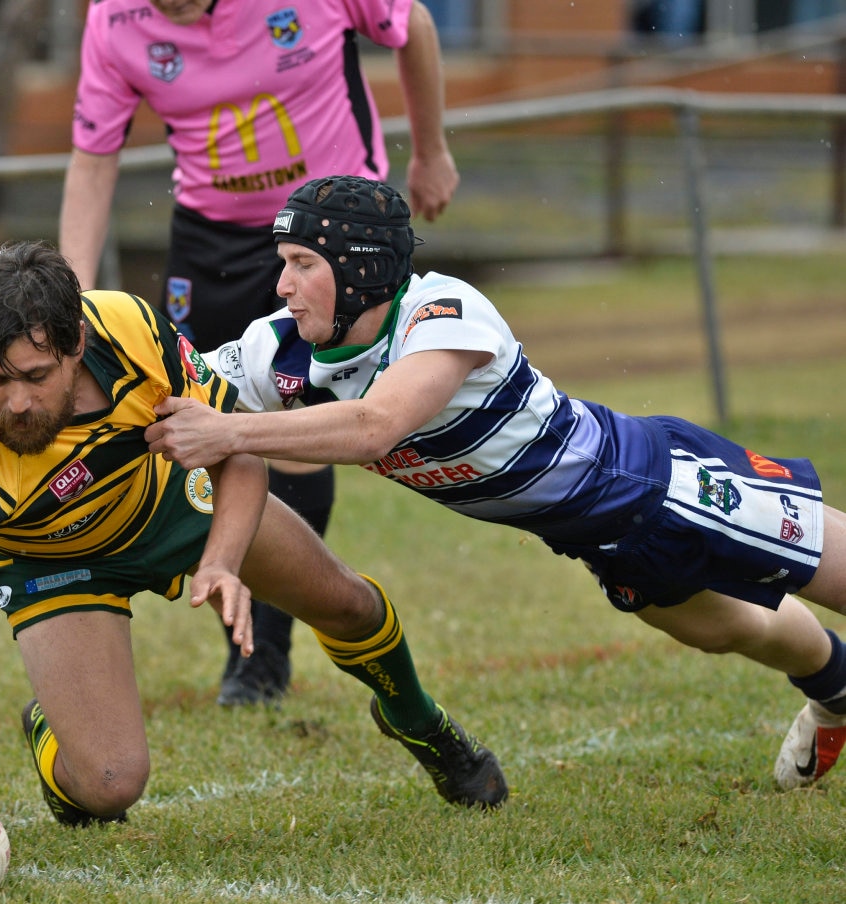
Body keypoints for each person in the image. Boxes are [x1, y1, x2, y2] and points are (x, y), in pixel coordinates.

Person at [144, 175, 846, 790]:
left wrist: (231, 430)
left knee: (826, 571)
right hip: (594, 539)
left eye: (300, 264)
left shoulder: (443, 311)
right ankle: (836, 691)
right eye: (282, 264)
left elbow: (375, 426)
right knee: (727, 630)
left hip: (656, 482)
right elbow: (176, 387)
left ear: (359, 268)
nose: (281, 285)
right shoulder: (282, 347)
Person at [0, 240, 506, 849]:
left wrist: (220, 560)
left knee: (349, 604)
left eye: (35, 375)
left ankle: (423, 725)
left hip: (163, 500)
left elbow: (233, 448)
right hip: (50, 560)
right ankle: (53, 731)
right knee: (108, 785)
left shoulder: (128, 329)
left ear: (77, 343)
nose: (15, 403)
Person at [59, 0, 458, 706]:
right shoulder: (113, 20)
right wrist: (72, 304)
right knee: (199, 417)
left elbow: (415, 25)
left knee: (298, 426)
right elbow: (93, 163)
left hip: (330, 228)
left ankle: (266, 650)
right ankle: (248, 644)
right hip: (210, 238)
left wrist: (431, 150)